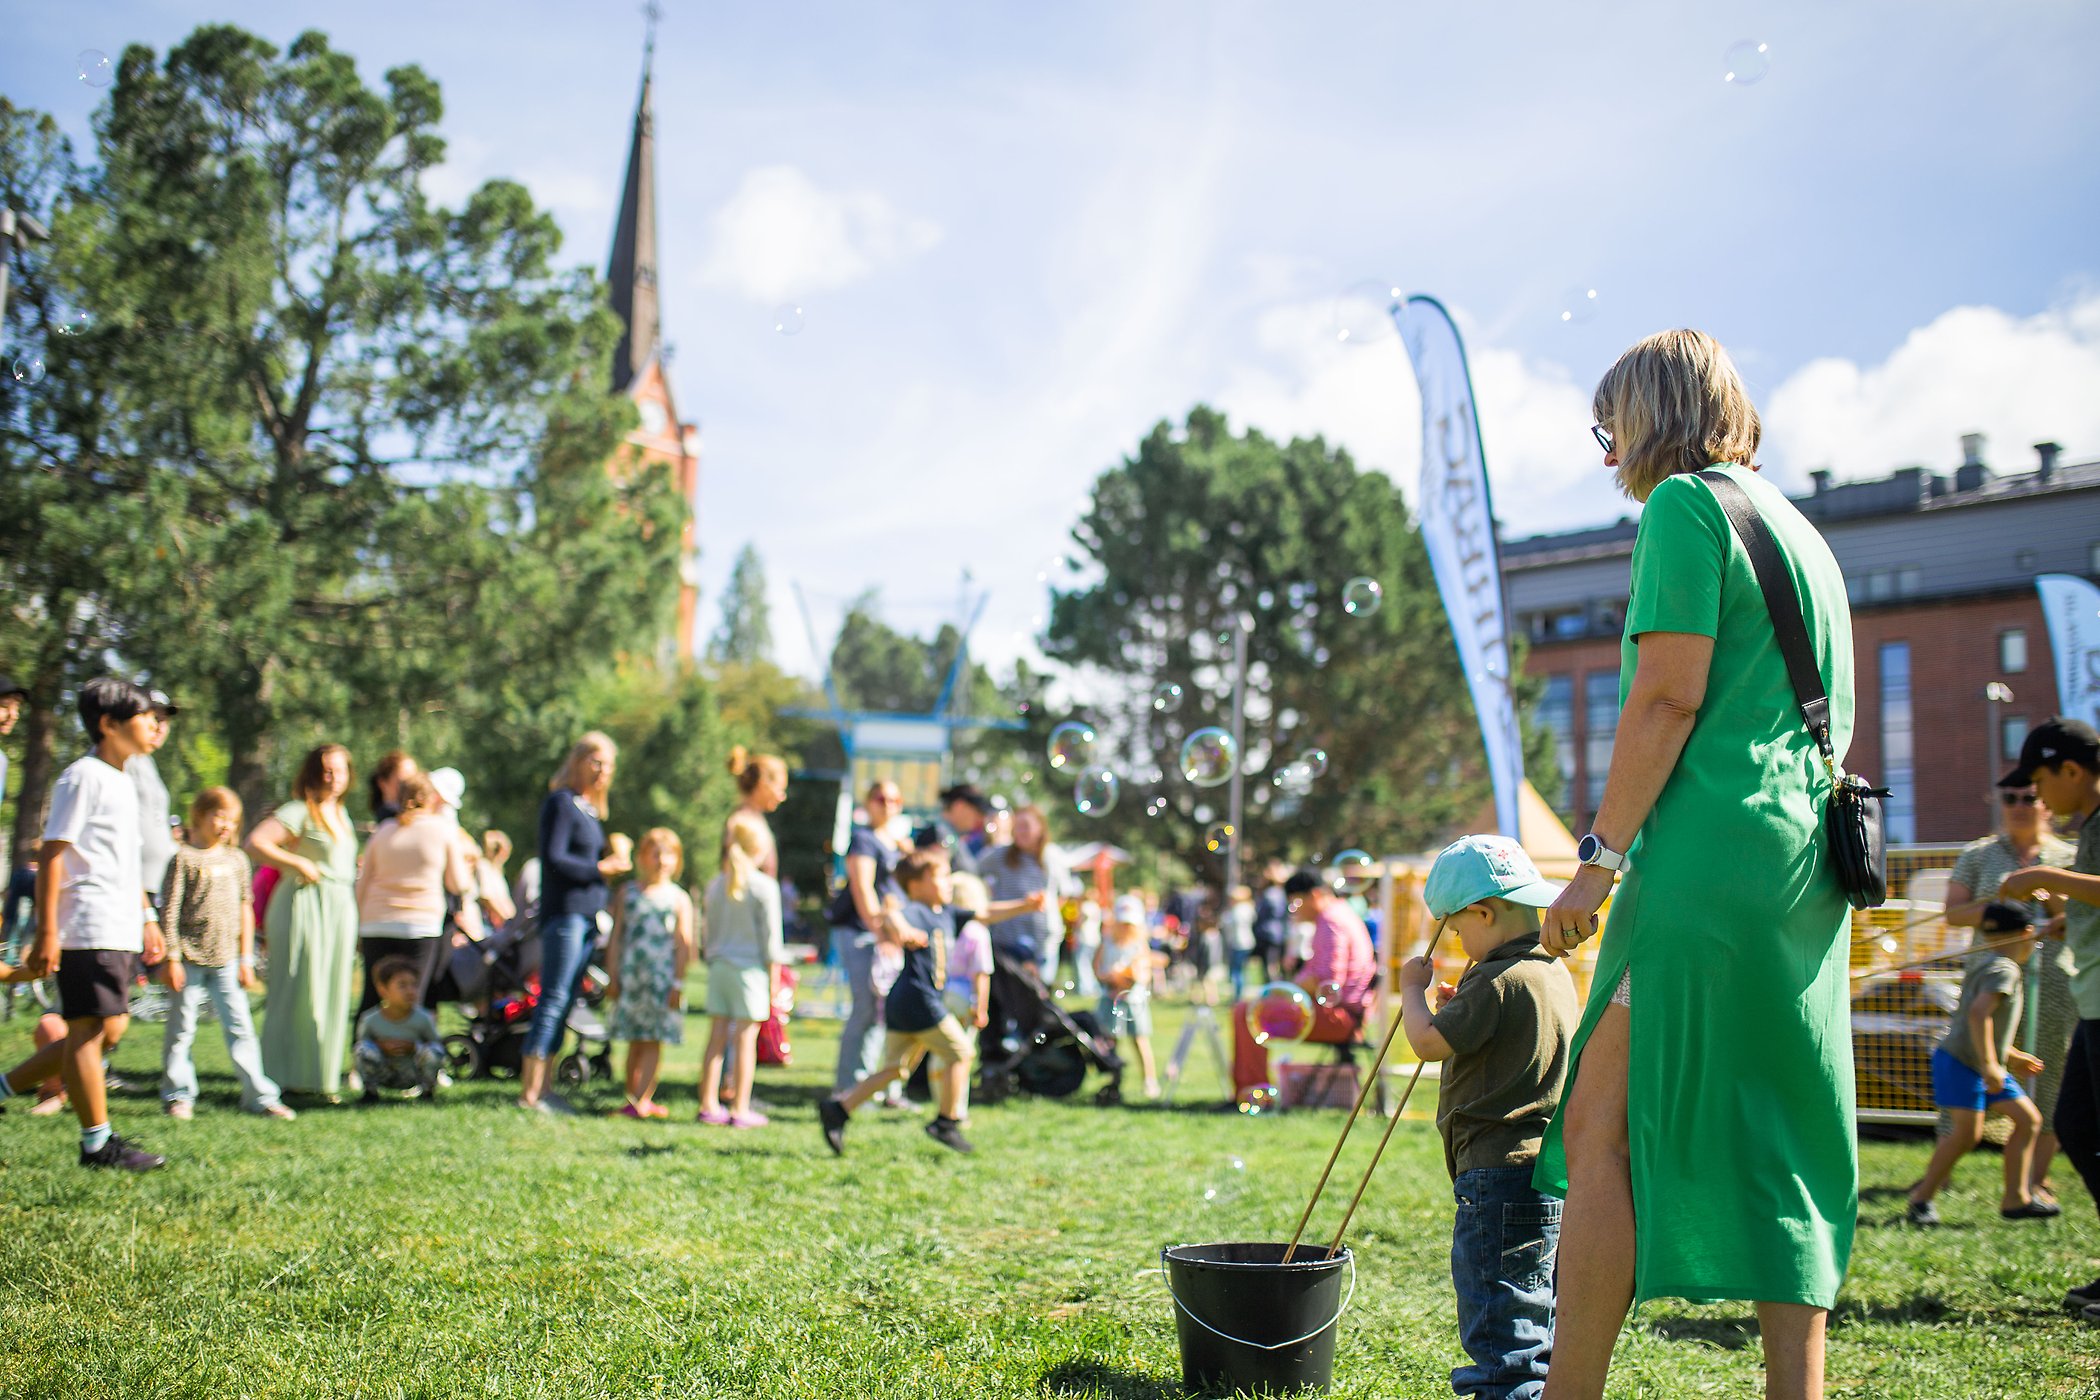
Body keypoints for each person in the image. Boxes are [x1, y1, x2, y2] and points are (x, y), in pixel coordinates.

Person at [1536, 330, 1855, 1400]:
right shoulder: (1805, 531)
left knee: (1600, 1123)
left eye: (1608, 424)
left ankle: (1566, 1389)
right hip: (1804, 860)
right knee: (1784, 1128)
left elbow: (1667, 696)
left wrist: (1599, 859)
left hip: (1707, 853)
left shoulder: (1685, 505)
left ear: (1650, 414)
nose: (1606, 450)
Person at [1399, 835, 1580, 1400]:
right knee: (1531, 1310)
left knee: (1500, 1328)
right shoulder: (1548, 971)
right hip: (1544, 1174)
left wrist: (1413, 991)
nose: (1458, 941)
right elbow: (1502, 1034)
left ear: (1483, 912)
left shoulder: (1495, 978)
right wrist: (1465, 1002)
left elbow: (1427, 1042)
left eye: (1457, 929)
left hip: (1494, 1175)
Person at [0, 679, 167, 1169]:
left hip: (117, 925)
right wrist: (49, 932)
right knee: (90, 1029)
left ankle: (5, 1085)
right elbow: (53, 855)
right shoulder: (83, 776)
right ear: (108, 724)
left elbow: (125, 862)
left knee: (106, 1029)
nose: (154, 723)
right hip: (87, 922)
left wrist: (146, 917)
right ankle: (98, 1142)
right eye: (142, 715)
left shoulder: (122, 778)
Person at [1994, 717, 2100, 1322]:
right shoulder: (2088, 823)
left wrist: (2042, 877)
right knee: (2079, 1128)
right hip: (2093, 1002)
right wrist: (2070, 919)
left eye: (2039, 781)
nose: (2037, 796)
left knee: (2085, 1129)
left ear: (2071, 770)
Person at [1946, 776, 2074, 1204]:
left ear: (2046, 805)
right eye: (2011, 798)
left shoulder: (2068, 856)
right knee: (1970, 1058)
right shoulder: (1979, 854)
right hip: (1992, 976)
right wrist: (2004, 901)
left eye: (2030, 798)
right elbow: (1954, 914)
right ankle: (1943, 1171)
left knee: (2051, 1072)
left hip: (2055, 983)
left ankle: (2035, 1180)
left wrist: (2050, 895)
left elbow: (2079, 919)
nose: (2020, 805)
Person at [819, 847, 976, 1155]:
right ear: (917, 884)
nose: (949, 882)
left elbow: (987, 913)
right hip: (920, 1001)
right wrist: (904, 931)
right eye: (942, 876)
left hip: (904, 1003)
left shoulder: (946, 913)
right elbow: (891, 917)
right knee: (962, 1052)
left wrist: (1025, 906)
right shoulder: (915, 910)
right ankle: (946, 1121)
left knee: (895, 1069)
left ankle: (839, 1109)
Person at [1903, 903, 2053, 1225]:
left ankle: (2016, 1198)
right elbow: (1977, 1015)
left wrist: (2009, 1056)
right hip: (1962, 1062)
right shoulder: (2005, 969)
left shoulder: (1987, 962)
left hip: (1980, 1060)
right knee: (1966, 1135)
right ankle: (1921, 1199)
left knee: (2028, 1121)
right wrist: (1991, 1066)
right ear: (2028, 933)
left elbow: (1976, 1022)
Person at [158, 787, 292, 1121]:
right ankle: (178, 1094)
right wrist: (171, 957)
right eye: (218, 816)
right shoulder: (183, 859)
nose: (225, 826)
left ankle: (259, 1095)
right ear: (199, 816)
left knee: (240, 1027)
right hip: (189, 958)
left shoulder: (236, 860)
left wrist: (246, 959)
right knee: (181, 1029)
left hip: (228, 959)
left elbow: (246, 908)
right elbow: (170, 912)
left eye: (232, 820)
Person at [519, 732, 630, 1113]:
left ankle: (545, 1089)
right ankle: (530, 1093)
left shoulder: (589, 809)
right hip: (564, 915)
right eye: (596, 761)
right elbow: (554, 859)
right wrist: (600, 868)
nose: (602, 771)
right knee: (552, 998)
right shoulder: (561, 804)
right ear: (578, 760)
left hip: (586, 917)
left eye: (609, 765)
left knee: (566, 1000)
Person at [250, 744, 361, 1099]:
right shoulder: (298, 811)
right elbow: (255, 842)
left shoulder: (342, 815)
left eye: (339, 770)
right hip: (303, 904)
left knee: (331, 990)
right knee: (298, 988)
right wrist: (296, 863)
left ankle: (319, 1078)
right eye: (326, 770)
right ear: (313, 772)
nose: (333, 778)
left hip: (339, 905)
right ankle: (277, 1077)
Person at [353, 771, 471, 1023]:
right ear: (430, 799)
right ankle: (410, 1058)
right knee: (414, 995)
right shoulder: (442, 830)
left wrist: (358, 922)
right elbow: (458, 882)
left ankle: (363, 1056)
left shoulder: (383, 831)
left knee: (372, 995)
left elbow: (363, 882)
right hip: (420, 924)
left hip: (376, 922)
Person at [603, 828, 695, 1120]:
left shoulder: (678, 898)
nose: (662, 861)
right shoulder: (627, 893)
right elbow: (617, 936)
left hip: (661, 979)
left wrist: (678, 982)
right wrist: (612, 974)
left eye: (669, 855)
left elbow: (684, 944)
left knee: (654, 1038)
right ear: (643, 857)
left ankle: (644, 1097)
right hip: (632, 976)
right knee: (634, 1037)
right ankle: (631, 1097)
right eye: (656, 854)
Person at [698, 820, 785, 1127]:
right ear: (760, 849)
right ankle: (740, 1107)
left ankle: (708, 1103)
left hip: (719, 967)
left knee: (716, 1039)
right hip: (750, 971)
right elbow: (772, 939)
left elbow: (706, 931)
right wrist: (774, 976)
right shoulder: (763, 886)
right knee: (745, 1041)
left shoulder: (716, 883)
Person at [827, 780, 905, 1094]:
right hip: (860, 933)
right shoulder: (863, 839)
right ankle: (847, 1086)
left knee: (878, 1011)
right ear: (868, 802)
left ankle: (866, 1084)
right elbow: (862, 887)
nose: (886, 804)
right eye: (879, 798)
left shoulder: (894, 842)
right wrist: (880, 931)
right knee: (865, 1008)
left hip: (881, 933)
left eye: (892, 799)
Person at [978, 804, 1067, 978]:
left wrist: (1043, 905)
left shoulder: (1053, 856)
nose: (1020, 832)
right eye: (1016, 826)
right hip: (1007, 940)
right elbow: (973, 870)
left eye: (1025, 826)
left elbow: (1064, 893)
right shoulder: (1000, 855)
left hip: (1043, 941)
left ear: (1040, 827)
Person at [129, 690, 178, 986]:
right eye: (153, 718)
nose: (159, 726)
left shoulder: (147, 764)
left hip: (154, 882)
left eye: (163, 720)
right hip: (135, 884)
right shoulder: (126, 760)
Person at [353, 955, 444, 1103]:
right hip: (384, 1071)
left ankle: (427, 1091)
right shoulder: (370, 1019)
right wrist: (381, 1046)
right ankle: (370, 1092)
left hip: (412, 1072)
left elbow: (437, 1045)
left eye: (414, 985)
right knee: (362, 1050)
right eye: (402, 985)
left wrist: (414, 1047)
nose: (410, 991)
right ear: (383, 989)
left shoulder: (423, 1018)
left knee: (434, 1051)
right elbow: (362, 1045)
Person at [1096, 893, 1161, 1098]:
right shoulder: (1107, 942)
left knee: (1140, 1040)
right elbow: (1097, 967)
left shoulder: (1139, 944)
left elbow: (1143, 972)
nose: (1125, 927)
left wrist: (1125, 976)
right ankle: (1114, 1080)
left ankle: (1149, 1080)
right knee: (1109, 1041)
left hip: (1134, 1000)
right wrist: (1109, 977)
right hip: (1110, 998)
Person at [726, 747, 788, 876]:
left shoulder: (754, 818)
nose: (782, 797)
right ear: (762, 784)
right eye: (780, 789)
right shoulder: (741, 821)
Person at [939, 783, 993, 875]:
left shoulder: (950, 834)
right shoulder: (937, 835)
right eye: (977, 811)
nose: (980, 818)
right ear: (960, 806)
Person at [1252, 863, 1291, 985]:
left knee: (1270, 967)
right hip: (1280, 934)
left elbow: (1261, 914)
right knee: (1277, 966)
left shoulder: (1269, 894)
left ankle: (1272, 991)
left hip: (1268, 934)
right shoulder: (1282, 893)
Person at [1223, 884, 1257, 1003]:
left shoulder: (1237, 910)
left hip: (1238, 943)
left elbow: (1228, 925)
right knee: (1242, 970)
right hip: (1247, 941)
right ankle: (1241, 994)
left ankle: (1238, 996)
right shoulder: (1249, 908)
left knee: (1236, 971)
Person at [367, 750, 419, 827]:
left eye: (414, 782)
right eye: (403, 783)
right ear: (382, 784)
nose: (410, 788)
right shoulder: (388, 820)